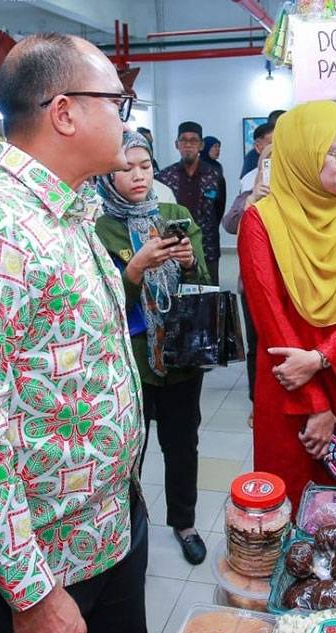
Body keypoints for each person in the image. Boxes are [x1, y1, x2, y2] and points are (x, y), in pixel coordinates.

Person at [0, 33, 148, 633]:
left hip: (104, 529)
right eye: (116, 102)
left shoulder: (66, 211)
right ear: (65, 111)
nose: (126, 120)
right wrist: (32, 594)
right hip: (40, 568)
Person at [238, 101, 336, 510]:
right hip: (290, 387)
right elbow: (273, 324)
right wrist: (317, 406)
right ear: (304, 155)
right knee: (294, 508)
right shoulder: (262, 223)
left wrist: (323, 357)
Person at [95, 130, 211, 566]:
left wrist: (188, 262)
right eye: (126, 168)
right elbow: (101, 305)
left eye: (145, 166)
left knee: (183, 445)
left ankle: (185, 523)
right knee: (130, 449)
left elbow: (201, 277)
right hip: (131, 362)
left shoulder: (173, 212)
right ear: (107, 173)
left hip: (182, 355)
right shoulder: (98, 226)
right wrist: (136, 268)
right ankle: (128, 531)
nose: (139, 176)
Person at [223, 144, 273, 427]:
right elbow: (229, 224)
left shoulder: (299, 196)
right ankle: (258, 402)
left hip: (289, 290)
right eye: (268, 164)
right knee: (257, 346)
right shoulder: (249, 195)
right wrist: (253, 196)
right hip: (252, 287)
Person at [158, 121, 224, 284]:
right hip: (174, 250)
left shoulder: (214, 176)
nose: (188, 145)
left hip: (208, 248)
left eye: (193, 140)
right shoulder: (165, 177)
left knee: (209, 298)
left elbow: (219, 210)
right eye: (183, 140)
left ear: (201, 145)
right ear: (177, 144)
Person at [201, 135, 227, 227]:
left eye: (219, 147)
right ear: (207, 147)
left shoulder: (217, 166)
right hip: (205, 211)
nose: (218, 150)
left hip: (217, 207)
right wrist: (213, 196)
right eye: (215, 146)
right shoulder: (200, 166)